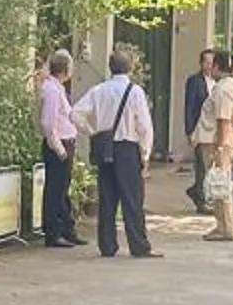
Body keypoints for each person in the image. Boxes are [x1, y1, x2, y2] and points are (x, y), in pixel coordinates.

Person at [77, 48, 155, 258]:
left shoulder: (99, 90)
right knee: (132, 198)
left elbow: (75, 113)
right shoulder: (135, 91)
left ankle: (107, 245)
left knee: (107, 197)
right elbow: (144, 126)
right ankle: (138, 244)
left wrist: (92, 131)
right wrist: (145, 153)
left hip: (105, 145)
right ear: (130, 68)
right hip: (127, 147)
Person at [195, 49, 233, 242]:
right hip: (220, 140)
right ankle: (222, 225)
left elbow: (222, 120)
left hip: (218, 141)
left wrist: (220, 147)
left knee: (219, 184)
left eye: (211, 64)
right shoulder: (227, 86)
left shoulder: (223, 89)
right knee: (219, 183)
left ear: (217, 66)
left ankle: (224, 226)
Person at [37, 49, 81, 247]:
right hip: (59, 145)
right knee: (55, 190)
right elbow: (48, 123)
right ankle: (53, 232)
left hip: (65, 142)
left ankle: (66, 228)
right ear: (65, 69)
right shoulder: (53, 91)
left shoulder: (58, 89)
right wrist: (59, 148)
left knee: (62, 189)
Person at [183, 59, 215, 211]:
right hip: (200, 128)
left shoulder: (220, 82)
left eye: (212, 62)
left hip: (215, 129)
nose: (210, 66)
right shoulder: (194, 81)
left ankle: (197, 190)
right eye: (207, 62)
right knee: (201, 165)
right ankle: (201, 201)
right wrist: (189, 130)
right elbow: (189, 106)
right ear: (201, 64)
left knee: (211, 165)